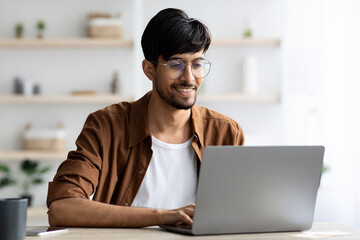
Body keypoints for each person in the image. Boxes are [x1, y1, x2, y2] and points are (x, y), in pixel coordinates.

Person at [47, 8, 244, 228]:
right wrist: (163, 216)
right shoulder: (106, 126)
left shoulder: (226, 132)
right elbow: (62, 208)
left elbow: (243, 212)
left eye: (197, 64)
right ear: (149, 70)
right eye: (176, 64)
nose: (189, 78)